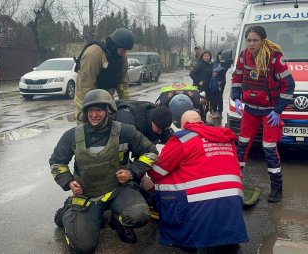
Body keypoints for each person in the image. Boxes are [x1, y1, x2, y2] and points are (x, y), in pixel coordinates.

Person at [50, 89, 158, 253]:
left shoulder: (125, 131)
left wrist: (131, 172)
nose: (94, 114)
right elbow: (57, 162)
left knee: (140, 215)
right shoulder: (72, 135)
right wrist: (69, 182)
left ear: (108, 111)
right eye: (90, 110)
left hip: (118, 190)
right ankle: (69, 211)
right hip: (88, 195)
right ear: (85, 112)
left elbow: (151, 152)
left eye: (99, 110)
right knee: (83, 248)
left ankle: (118, 221)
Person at [147, 110, 249, 252]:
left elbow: (157, 172)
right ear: (201, 122)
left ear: (183, 126)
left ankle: (184, 237)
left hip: (199, 204)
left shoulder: (182, 138)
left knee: (165, 179)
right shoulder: (225, 137)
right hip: (233, 200)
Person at [231, 25, 295, 203]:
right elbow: (236, 79)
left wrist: (278, 110)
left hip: (270, 112)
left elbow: (289, 85)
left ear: (263, 41)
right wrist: (236, 98)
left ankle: (276, 188)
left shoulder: (275, 58)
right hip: (250, 109)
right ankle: (235, 183)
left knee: (269, 149)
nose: (251, 44)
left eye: (255, 40)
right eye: (249, 40)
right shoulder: (243, 56)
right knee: (242, 146)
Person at [74, 28, 134, 119]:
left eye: (126, 50)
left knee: (107, 128)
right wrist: (89, 108)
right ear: (115, 45)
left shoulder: (121, 57)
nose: (124, 53)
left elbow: (123, 83)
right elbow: (85, 84)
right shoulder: (93, 54)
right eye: (122, 49)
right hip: (86, 99)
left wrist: (126, 106)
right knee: (86, 129)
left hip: (106, 99)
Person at [210, 51, 229, 118]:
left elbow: (223, 72)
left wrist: (216, 73)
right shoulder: (215, 62)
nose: (220, 56)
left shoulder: (225, 63)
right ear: (217, 55)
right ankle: (214, 110)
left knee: (219, 97)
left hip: (220, 82)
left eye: (222, 55)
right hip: (213, 82)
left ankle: (219, 112)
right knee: (213, 97)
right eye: (219, 55)